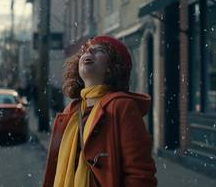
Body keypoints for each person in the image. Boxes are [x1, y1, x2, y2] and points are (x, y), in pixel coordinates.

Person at [42, 35, 157, 187]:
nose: (88, 51)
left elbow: (140, 174)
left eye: (99, 50)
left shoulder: (122, 107)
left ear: (112, 67)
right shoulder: (72, 111)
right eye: (85, 50)